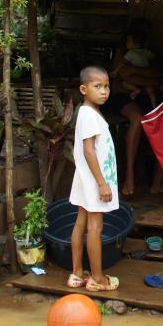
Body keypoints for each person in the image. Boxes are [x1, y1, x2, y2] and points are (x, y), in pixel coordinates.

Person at [66, 66, 120, 292]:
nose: (104, 91)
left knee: (81, 223)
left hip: (85, 178)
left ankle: (77, 273)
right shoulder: (89, 114)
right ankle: (97, 277)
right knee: (95, 227)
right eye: (97, 86)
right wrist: (101, 183)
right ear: (83, 89)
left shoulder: (88, 111)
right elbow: (89, 151)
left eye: (106, 86)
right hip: (93, 181)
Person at [106, 23, 163, 196]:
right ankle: (129, 177)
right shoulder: (122, 54)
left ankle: (156, 184)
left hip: (144, 97)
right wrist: (145, 78)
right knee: (137, 118)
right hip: (124, 98)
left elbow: (158, 75)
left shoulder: (147, 54)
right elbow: (121, 78)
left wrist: (135, 72)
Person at [114, 29, 161, 107]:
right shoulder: (146, 52)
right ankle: (154, 107)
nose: (127, 43)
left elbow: (122, 63)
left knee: (125, 83)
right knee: (151, 93)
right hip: (144, 79)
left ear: (135, 43)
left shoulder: (130, 53)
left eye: (128, 41)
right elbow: (153, 57)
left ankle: (136, 90)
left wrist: (115, 71)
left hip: (138, 80)